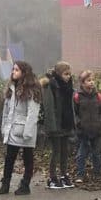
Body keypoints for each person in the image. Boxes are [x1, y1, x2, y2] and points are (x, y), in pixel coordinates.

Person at [0, 61, 42, 196]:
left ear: (24, 72)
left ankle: (25, 184)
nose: (13, 72)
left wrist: (27, 132)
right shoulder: (11, 89)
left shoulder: (31, 90)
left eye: (16, 70)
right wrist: (4, 128)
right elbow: (6, 111)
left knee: (28, 158)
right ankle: (5, 183)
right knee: (9, 158)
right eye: (13, 69)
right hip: (12, 129)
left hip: (24, 130)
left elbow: (32, 112)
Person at [41, 61, 76, 189]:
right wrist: (51, 127)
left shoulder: (69, 86)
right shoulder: (50, 86)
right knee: (56, 152)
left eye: (69, 74)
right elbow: (49, 107)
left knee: (64, 152)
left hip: (66, 123)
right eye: (66, 74)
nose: (68, 77)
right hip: (55, 124)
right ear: (59, 74)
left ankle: (63, 174)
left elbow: (71, 106)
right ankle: (52, 177)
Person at [74, 70, 101, 183]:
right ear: (82, 83)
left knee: (96, 154)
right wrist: (79, 124)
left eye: (93, 80)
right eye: (89, 80)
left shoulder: (98, 96)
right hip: (83, 131)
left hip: (97, 130)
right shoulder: (77, 97)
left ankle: (98, 174)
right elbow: (75, 113)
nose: (92, 82)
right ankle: (80, 175)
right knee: (82, 154)